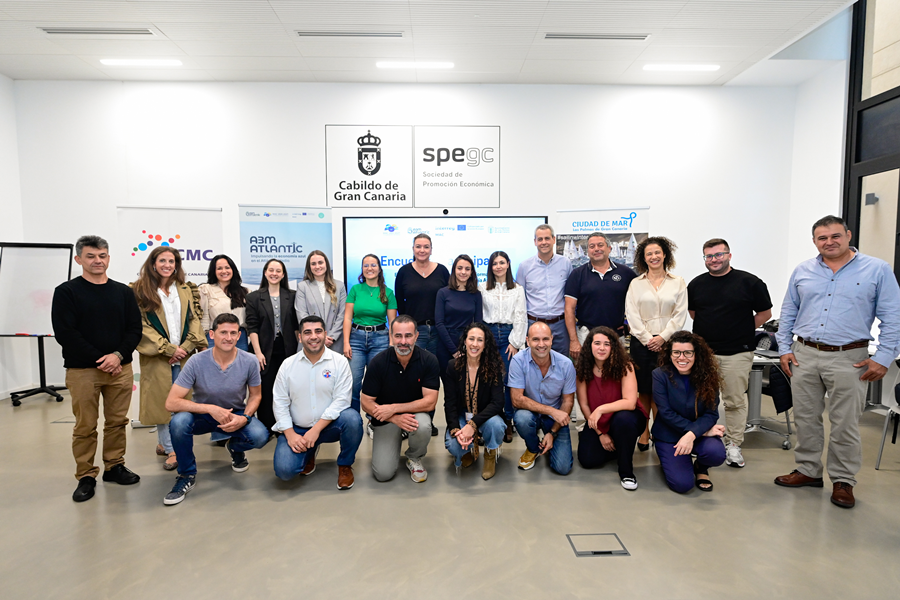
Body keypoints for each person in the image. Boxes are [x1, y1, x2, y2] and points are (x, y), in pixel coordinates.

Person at [774, 215, 900, 509]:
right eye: (822, 238)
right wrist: (784, 348)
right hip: (804, 354)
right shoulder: (803, 270)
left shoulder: (877, 269)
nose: (829, 242)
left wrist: (883, 357)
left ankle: (843, 480)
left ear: (848, 235)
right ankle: (808, 470)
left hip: (850, 357)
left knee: (845, 423)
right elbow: (789, 310)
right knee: (806, 418)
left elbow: (893, 317)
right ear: (814, 241)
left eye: (835, 236)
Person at [51, 235, 143, 502]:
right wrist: (102, 359)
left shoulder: (123, 292)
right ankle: (86, 475)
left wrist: (117, 356)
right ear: (79, 259)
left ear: (109, 258)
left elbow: (134, 329)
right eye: (90, 256)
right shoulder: (66, 292)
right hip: (83, 371)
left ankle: (114, 466)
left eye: (102, 256)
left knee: (117, 422)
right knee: (85, 426)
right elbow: (66, 333)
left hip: (120, 369)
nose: (97, 261)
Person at [162, 314, 269, 505]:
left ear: (239, 336)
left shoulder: (250, 361)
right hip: (202, 416)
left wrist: (245, 417)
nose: (228, 337)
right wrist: (210, 409)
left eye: (233, 333)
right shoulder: (196, 361)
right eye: (223, 332)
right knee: (178, 422)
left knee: (260, 436)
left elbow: (255, 396)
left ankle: (235, 448)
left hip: (233, 415)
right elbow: (171, 403)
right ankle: (186, 475)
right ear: (212, 334)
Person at [687, 238, 771, 469]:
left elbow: (765, 314)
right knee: (701, 400)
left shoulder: (750, 282)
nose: (714, 260)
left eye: (719, 254)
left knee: (734, 400)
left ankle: (733, 444)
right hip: (704, 354)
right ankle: (701, 439)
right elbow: (694, 313)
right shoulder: (696, 284)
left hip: (737, 354)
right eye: (709, 256)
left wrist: (741, 329)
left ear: (729, 255)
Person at [132, 245, 206, 472]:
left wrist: (185, 347)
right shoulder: (139, 290)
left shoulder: (185, 289)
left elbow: (194, 319)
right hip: (158, 356)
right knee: (162, 402)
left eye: (171, 261)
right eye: (162, 261)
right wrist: (167, 349)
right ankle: (172, 449)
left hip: (183, 355)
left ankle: (165, 443)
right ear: (153, 264)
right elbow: (139, 325)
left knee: (181, 401)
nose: (167, 265)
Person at [272, 316, 362, 489]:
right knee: (285, 471)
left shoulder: (340, 362)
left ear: (325, 334)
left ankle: (345, 464)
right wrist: (290, 434)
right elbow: (280, 402)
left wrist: (315, 430)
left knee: (352, 419)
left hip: (330, 427)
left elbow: (342, 400)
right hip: (298, 429)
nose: (313, 336)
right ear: (300, 337)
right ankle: (309, 452)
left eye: (318, 331)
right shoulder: (287, 365)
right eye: (307, 332)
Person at [360, 315, 440, 483]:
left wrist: (394, 408)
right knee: (383, 474)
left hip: (413, 417)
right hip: (386, 419)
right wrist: (394, 418)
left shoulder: (429, 361)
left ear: (416, 336)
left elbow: (430, 402)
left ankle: (414, 457)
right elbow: (366, 402)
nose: (403, 342)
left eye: (408, 336)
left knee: (424, 425)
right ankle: (393, 436)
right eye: (398, 336)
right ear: (391, 336)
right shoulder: (378, 362)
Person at [624, 236, 687, 452]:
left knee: (663, 391)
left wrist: (663, 337)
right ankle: (644, 432)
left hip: (669, 345)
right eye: (649, 254)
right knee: (643, 391)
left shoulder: (678, 282)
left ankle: (661, 432)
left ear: (665, 254)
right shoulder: (636, 284)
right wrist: (647, 339)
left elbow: (680, 314)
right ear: (644, 258)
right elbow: (632, 314)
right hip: (642, 344)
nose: (654, 257)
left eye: (657, 252)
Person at [651, 331, 726, 493]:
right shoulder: (660, 375)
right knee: (682, 484)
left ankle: (701, 468)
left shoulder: (709, 376)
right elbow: (665, 413)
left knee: (716, 453)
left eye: (687, 353)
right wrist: (702, 431)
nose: (682, 357)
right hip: (669, 434)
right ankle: (670, 460)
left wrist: (692, 434)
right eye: (676, 352)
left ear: (696, 354)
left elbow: (711, 413)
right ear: (670, 354)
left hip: (697, 433)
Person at [575, 327, 647, 490]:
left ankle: (626, 472)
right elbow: (584, 404)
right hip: (599, 422)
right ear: (589, 345)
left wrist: (600, 409)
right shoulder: (583, 368)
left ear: (613, 347)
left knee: (623, 419)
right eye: (597, 343)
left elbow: (630, 403)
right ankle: (619, 447)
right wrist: (600, 433)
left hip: (626, 418)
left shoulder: (624, 366)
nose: (602, 348)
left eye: (607, 344)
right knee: (587, 460)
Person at [509, 322, 577, 475]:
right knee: (522, 419)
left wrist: (552, 433)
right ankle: (533, 448)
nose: (541, 344)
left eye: (545, 339)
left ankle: (548, 439)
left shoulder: (566, 364)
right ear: (527, 341)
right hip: (531, 413)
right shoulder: (518, 361)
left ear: (552, 339)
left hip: (554, 420)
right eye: (536, 339)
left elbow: (568, 401)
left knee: (563, 468)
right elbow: (517, 399)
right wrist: (552, 411)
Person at [442, 323, 507, 480]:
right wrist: (456, 429)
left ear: (485, 344)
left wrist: (473, 425)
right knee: (453, 444)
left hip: (486, 415)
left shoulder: (494, 367)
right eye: (471, 339)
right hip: (462, 415)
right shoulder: (453, 366)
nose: (475, 344)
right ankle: (465, 451)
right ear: (465, 341)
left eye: (480, 340)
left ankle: (490, 454)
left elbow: (498, 402)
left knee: (497, 426)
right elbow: (449, 403)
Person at [564, 231, 637, 360]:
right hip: (586, 335)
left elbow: (638, 303)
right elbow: (569, 309)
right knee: (586, 371)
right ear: (588, 251)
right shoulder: (577, 274)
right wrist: (574, 341)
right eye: (592, 246)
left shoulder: (626, 273)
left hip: (616, 335)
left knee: (616, 370)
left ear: (609, 248)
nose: (596, 249)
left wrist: (629, 324)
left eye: (600, 245)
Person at [245, 258, 299, 432]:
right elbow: (252, 327)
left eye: (278, 271)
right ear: (265, 272)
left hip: (288, 350)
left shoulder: (293, 296)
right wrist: (257, 352)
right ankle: (267, 427)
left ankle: (287, 426)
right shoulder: (253, 297)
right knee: (266, 389)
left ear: (283, 275)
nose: (274, 274)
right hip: (264, 351)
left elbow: (297, 326)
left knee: (288, 389)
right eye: (271, 270)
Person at [479, 250, 527, 443]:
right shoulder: (482, 288)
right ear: (490, 267)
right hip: (488, 335)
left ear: (508, 264)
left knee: (507, 381)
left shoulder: (517, 289)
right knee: (488, 379)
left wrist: (515, 342)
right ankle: (490, 418)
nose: (498, 266)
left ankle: (508, 420)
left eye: (501, 262)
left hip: (508, 335)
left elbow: (521, 316)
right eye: (494, 263)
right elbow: (479, 316)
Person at [343, 254, 397, 414]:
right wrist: (346, 342)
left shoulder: (388, 292)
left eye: (373, 265)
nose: (369, 268)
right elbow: (347, 318)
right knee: (353, 382)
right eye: (366, 265)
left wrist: (391, 344)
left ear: (379, 269)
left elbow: (392, 322)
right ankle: (353, 419)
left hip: (380, 339)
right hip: (356, 339)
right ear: (362, 269)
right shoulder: (355, 289)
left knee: (377, 383)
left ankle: (374, 420)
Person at [516, 224, 572, 356]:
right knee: (534, 363)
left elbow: (570, 295)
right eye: (540, 239)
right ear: (535, 242)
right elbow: (520, 298)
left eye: (547, 238)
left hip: (560, 325)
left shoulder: (565, 263)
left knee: (561, 363)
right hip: (533, 324)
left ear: (554, 239)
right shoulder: (524, 266)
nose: (544, 242)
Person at [394, 233, 450, 355]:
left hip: (439, 330)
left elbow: (449, 299)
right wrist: (407, 326)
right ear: (413, 249)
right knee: (413, 364)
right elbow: (399, 301)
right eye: (418, 246)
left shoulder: (442, 271)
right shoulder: (403, 272)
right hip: (413, 331)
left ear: (431, 250)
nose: (422, 250)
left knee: (437, 364)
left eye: (426, 247)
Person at [435, 254, 484, 377]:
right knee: (448, 383)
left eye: (467, 269)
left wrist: (469, 345)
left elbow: (478, 323)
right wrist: (454, 350)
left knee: (467, 382)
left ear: (471, 272)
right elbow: (439, 323)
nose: (463, 272)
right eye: (460, 268)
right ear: (454, 270)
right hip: (446, 343)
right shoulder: (443, 293)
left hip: (468, 344)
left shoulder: (476, 294)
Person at [294, 250, 347, 352]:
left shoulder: (339, 286)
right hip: (311, 340)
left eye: (320, 262)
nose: (317, 266)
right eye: (313, 264)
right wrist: (318, 336)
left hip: (333, 341)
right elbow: (302, 315)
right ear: (309, 267)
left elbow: (342, 314)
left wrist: (331, 337)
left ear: (326, 264)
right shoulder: (303, 286)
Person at [198, 254, 249, 351]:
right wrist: (202, 345)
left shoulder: (245, 292)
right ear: (214, 271)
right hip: (214, 337)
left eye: (227, 267)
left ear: (233, 269)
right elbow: (202, 320)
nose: (224, 271)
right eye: (219, 268)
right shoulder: (205, 289)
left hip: (240, 338)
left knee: (240, 361)